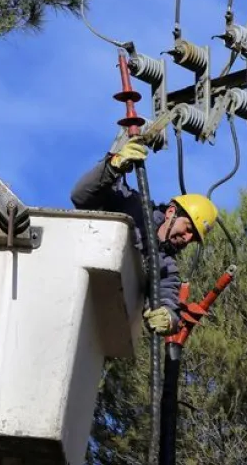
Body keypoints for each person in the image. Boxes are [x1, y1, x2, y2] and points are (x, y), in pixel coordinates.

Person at [70, 136, 218, 335]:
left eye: (194, 238)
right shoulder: (133, 206)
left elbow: (167, 299)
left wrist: (168, 318)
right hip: (72, 277)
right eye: (189, 228)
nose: (188, 238)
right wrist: (112, 167)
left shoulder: (166, 268)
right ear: (171, 212)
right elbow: (81, 196)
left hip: (98, 321)